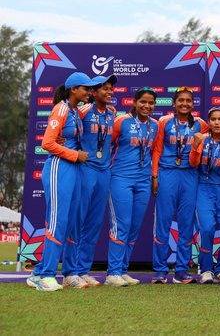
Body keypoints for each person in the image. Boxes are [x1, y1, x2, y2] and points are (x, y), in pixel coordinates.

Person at [27, 72, 98, 292]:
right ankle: (45, 275)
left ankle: (68, 274)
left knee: (73, 222)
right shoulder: (61, 108)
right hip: (59, 167)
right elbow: (47, 143)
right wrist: (75, 155)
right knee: (58, 221)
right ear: (73, 89)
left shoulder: (75, 111)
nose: (89, 92)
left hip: (74, 170)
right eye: (85, 88)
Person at [62, 74, 117, 288]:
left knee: (94, 224)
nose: (109, 91)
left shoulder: (112, 113)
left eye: (111, 88)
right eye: (104, 88)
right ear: (93, 92)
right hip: (86, 169)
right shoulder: (82, 110)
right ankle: (70, 271)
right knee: (78, 220)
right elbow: (68, 134)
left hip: (105, 171)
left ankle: (83, 270)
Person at [151, 87, 208, 284]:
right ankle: (159, 269)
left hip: (190, 175)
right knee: (163, 223)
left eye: (188, 101)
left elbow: (217, 133)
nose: (184, 104)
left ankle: (182, 269)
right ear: (174, 103)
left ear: (193, 104)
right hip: (167, 173)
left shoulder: (200, 124)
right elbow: (157, 150)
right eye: (181, 100)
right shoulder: (164, 122)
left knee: (186, 223)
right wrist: (155, 176)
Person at [106, 87, 159, 286]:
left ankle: (123, 270)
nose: (147, 106)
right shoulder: (121, 121)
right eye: (143, 102)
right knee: (122, 224)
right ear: (135, 102)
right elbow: (104, 143)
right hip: (120, 178)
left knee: (135, 227)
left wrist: (154, 177)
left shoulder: (155, 125)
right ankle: (113, 273)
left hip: (143, 181)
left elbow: (155, 152)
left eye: (151, 103)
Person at [190, 107, 220, 285]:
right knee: (207, 228)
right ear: (208, 122)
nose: (217, 122)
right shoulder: (201, 138)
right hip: (204, 187)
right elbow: (193, 163)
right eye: (213, 119)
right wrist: (195, 145)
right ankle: (206, 269)